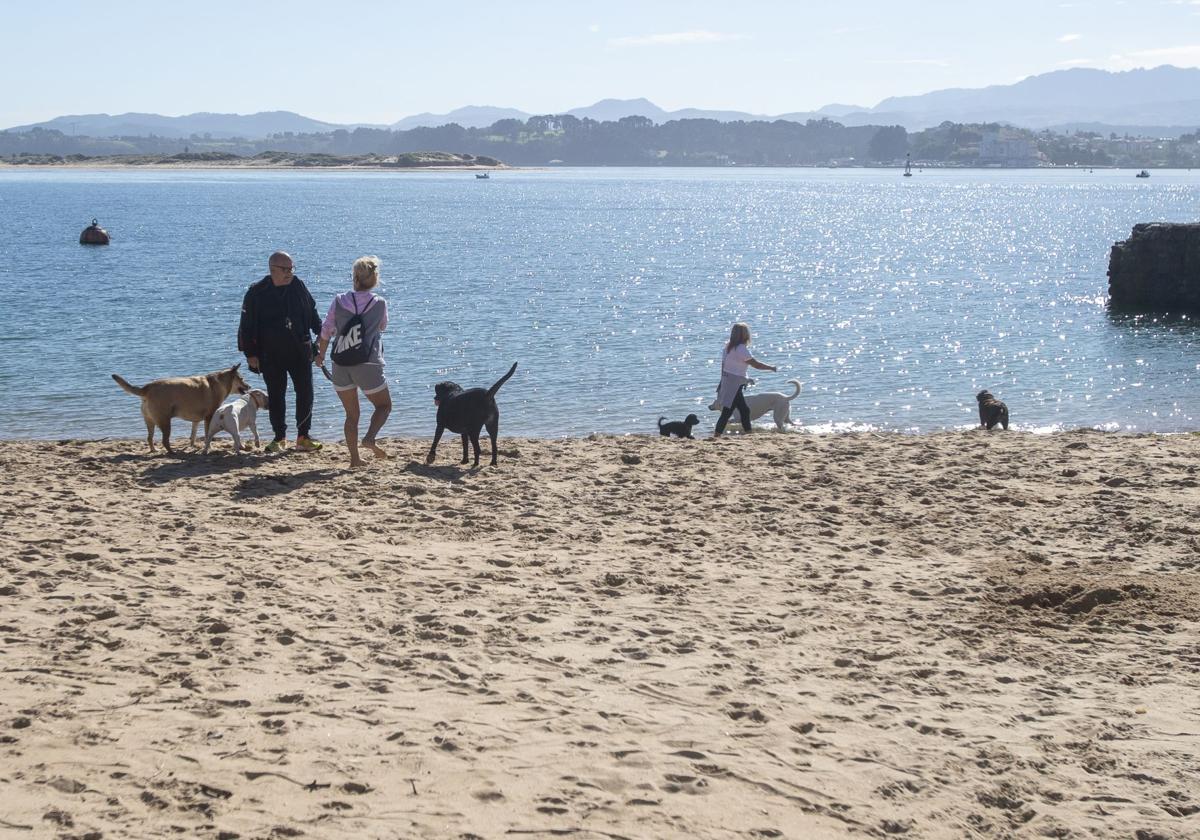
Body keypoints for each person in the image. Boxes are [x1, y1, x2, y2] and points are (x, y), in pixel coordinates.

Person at [237, 251, 324, 453]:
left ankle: (303, 436)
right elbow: (246, 326)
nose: (289, 273)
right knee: (276, 396)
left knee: (305, 393)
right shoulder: (257, 292)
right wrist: (250, 354)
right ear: (272, 269)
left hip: (300, 350)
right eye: (285, 269)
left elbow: (312, 312)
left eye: (292, 268)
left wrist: (322, 334)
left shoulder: (298, 286)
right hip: (270, 355)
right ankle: (279, 437)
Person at [315, 256, 392, 468]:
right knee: (384, 406)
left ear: (354, 278)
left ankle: (355, 459)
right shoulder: (380, 303)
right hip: (367, 363)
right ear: (375, 279)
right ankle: (369, 438)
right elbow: (382, 327)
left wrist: (320, 356)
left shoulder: (338, 300)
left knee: (351, 415)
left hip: (340, 363)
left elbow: (326, 332)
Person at [713, 322, 777, 438]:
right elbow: (755, 364)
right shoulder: (741, 349)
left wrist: (722, 381)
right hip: (734, 384)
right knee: (728, 412)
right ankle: (717, 436)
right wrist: (770, 367)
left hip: (729, 381)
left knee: (744, 410)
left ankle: (748, 434)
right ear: (744, 335)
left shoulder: (728, 346)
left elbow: (723, 365)